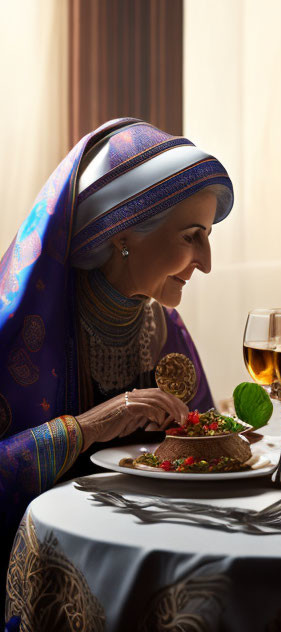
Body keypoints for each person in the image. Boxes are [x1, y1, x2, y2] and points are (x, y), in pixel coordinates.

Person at [0, 118, 233, 559]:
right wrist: (86, 429)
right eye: (192, 237)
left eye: (208, 237)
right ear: (122, 235)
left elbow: (207, 456)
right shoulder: (23, 333)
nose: (205, 263)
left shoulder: (163, 329)